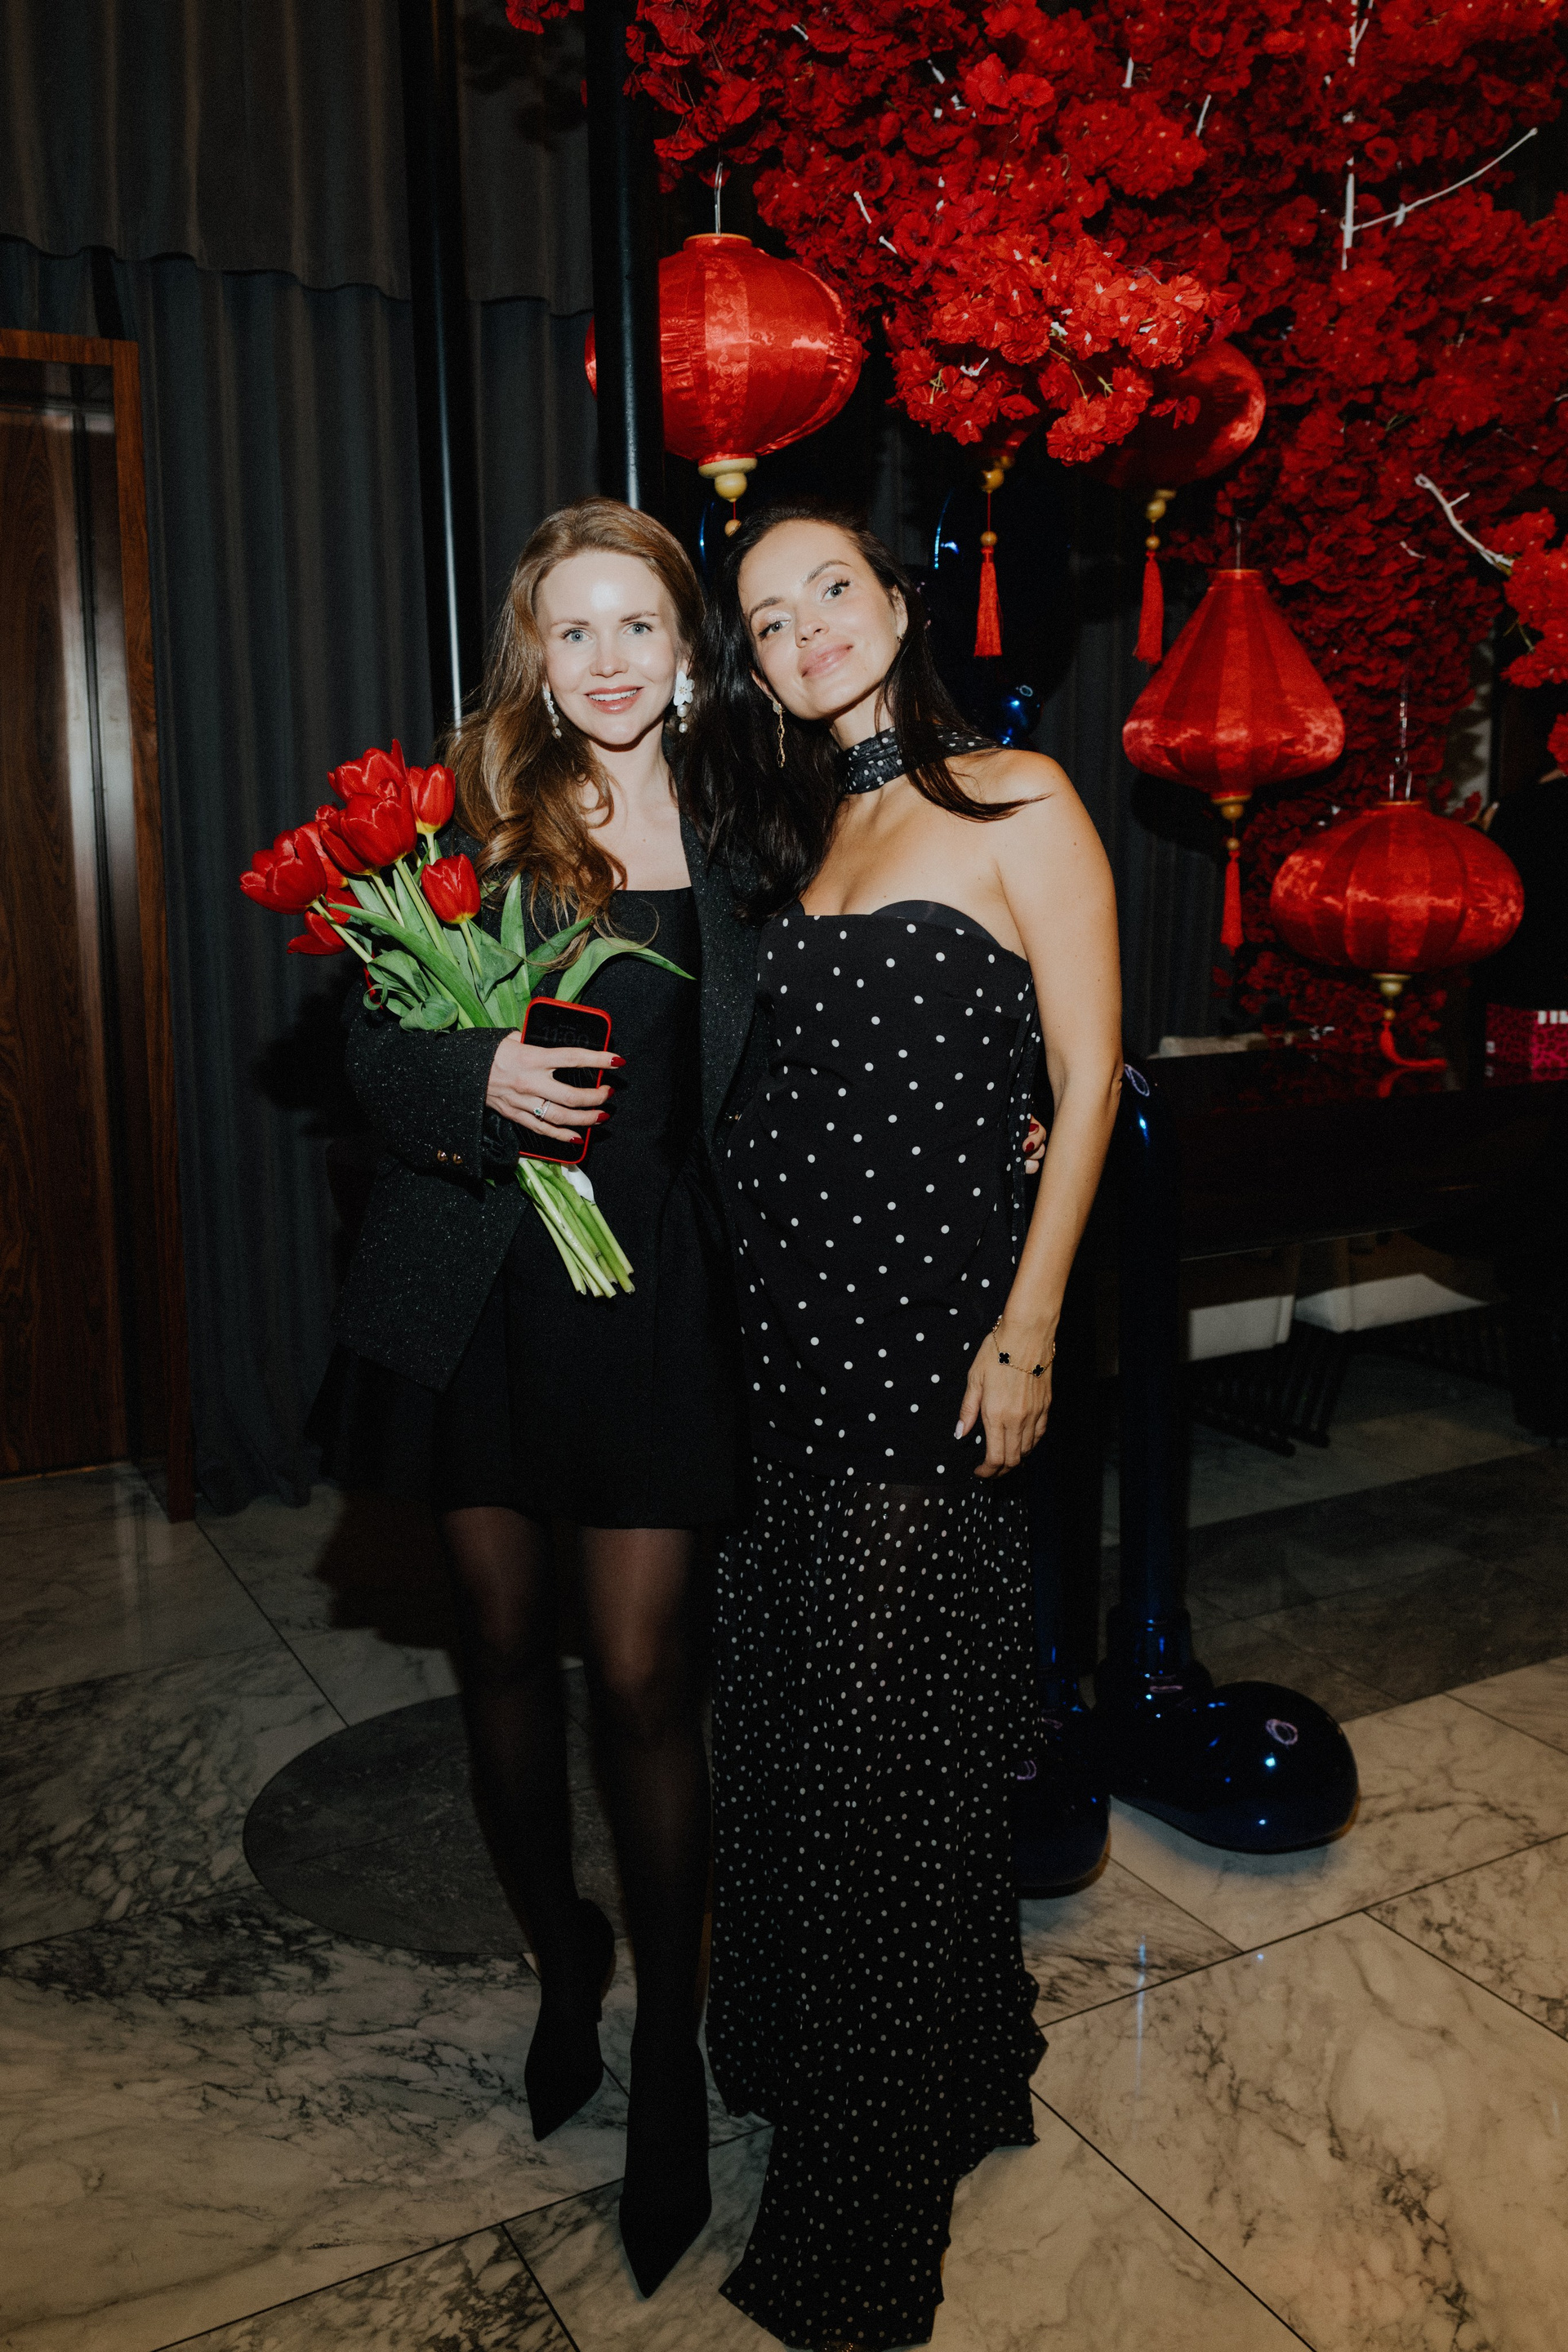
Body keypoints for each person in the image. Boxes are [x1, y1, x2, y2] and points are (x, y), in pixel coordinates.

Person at [686, 502, 1123, 2350]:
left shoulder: (1019, 796)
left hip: (935, 1353)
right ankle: (929, 2067)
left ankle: (858, 2218)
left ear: (896, 600)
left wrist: (1031, 1327)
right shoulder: (790, 836)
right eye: (769, 618)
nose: (807, 631)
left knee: (887, 1772)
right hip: (777, 1355)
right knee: (801, 1743)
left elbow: (1087, 1079)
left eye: (831, 592)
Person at [318, 498, 761, 2296]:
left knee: (645, 1678)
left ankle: (671, 2053)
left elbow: (821, 1013)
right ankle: (564, 1960)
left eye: (637, 623)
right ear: (533, 653)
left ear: (685, 642)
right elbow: (366, 1048)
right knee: (501, 1650)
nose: (607, 659)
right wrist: (470, 1077)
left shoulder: (748, 810)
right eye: (572, 630)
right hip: (484, 1281)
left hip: (661, 1294)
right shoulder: (472, 813)